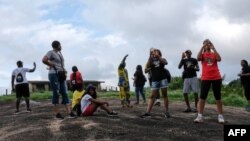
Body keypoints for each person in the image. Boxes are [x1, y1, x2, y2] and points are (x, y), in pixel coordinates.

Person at [42, 40, 76, 119]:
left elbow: (59, 64)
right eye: (60, 45)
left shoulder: (59, 54)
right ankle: (57, 114)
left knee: (64, 92)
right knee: (56, 93)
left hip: (61, 75)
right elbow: (44, 60)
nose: (61, 47)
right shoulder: (51, 52)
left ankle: (69, 112)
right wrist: (52, 65)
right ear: (57, 46)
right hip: (54, 74)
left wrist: (63, 70)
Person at [194, 39, 225, 123]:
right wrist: (202, 47)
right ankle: (200, 116)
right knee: (202, 97)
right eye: (205, 43)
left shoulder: (213, 54)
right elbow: (198, 58)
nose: (207, 45)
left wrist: (213, 48)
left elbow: (219, 59)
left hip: (216, 77)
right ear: (204, 45)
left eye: (209, 43)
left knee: (218, 97)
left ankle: (220, 116)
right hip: (205, 78)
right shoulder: (203, 55)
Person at [141, 48, 170, 118]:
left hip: (163, 79)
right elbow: (146, 68)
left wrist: (159, 57)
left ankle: (166, 112)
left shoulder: (162, 59)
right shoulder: (151, 61)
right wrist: (150, 57)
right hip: (154, 80)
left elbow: (165, 63)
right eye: (153, 53)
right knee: (152, 96)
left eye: (156, 52)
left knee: (164, 95)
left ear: (159, 53)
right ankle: (147, 112)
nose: (154, 53)